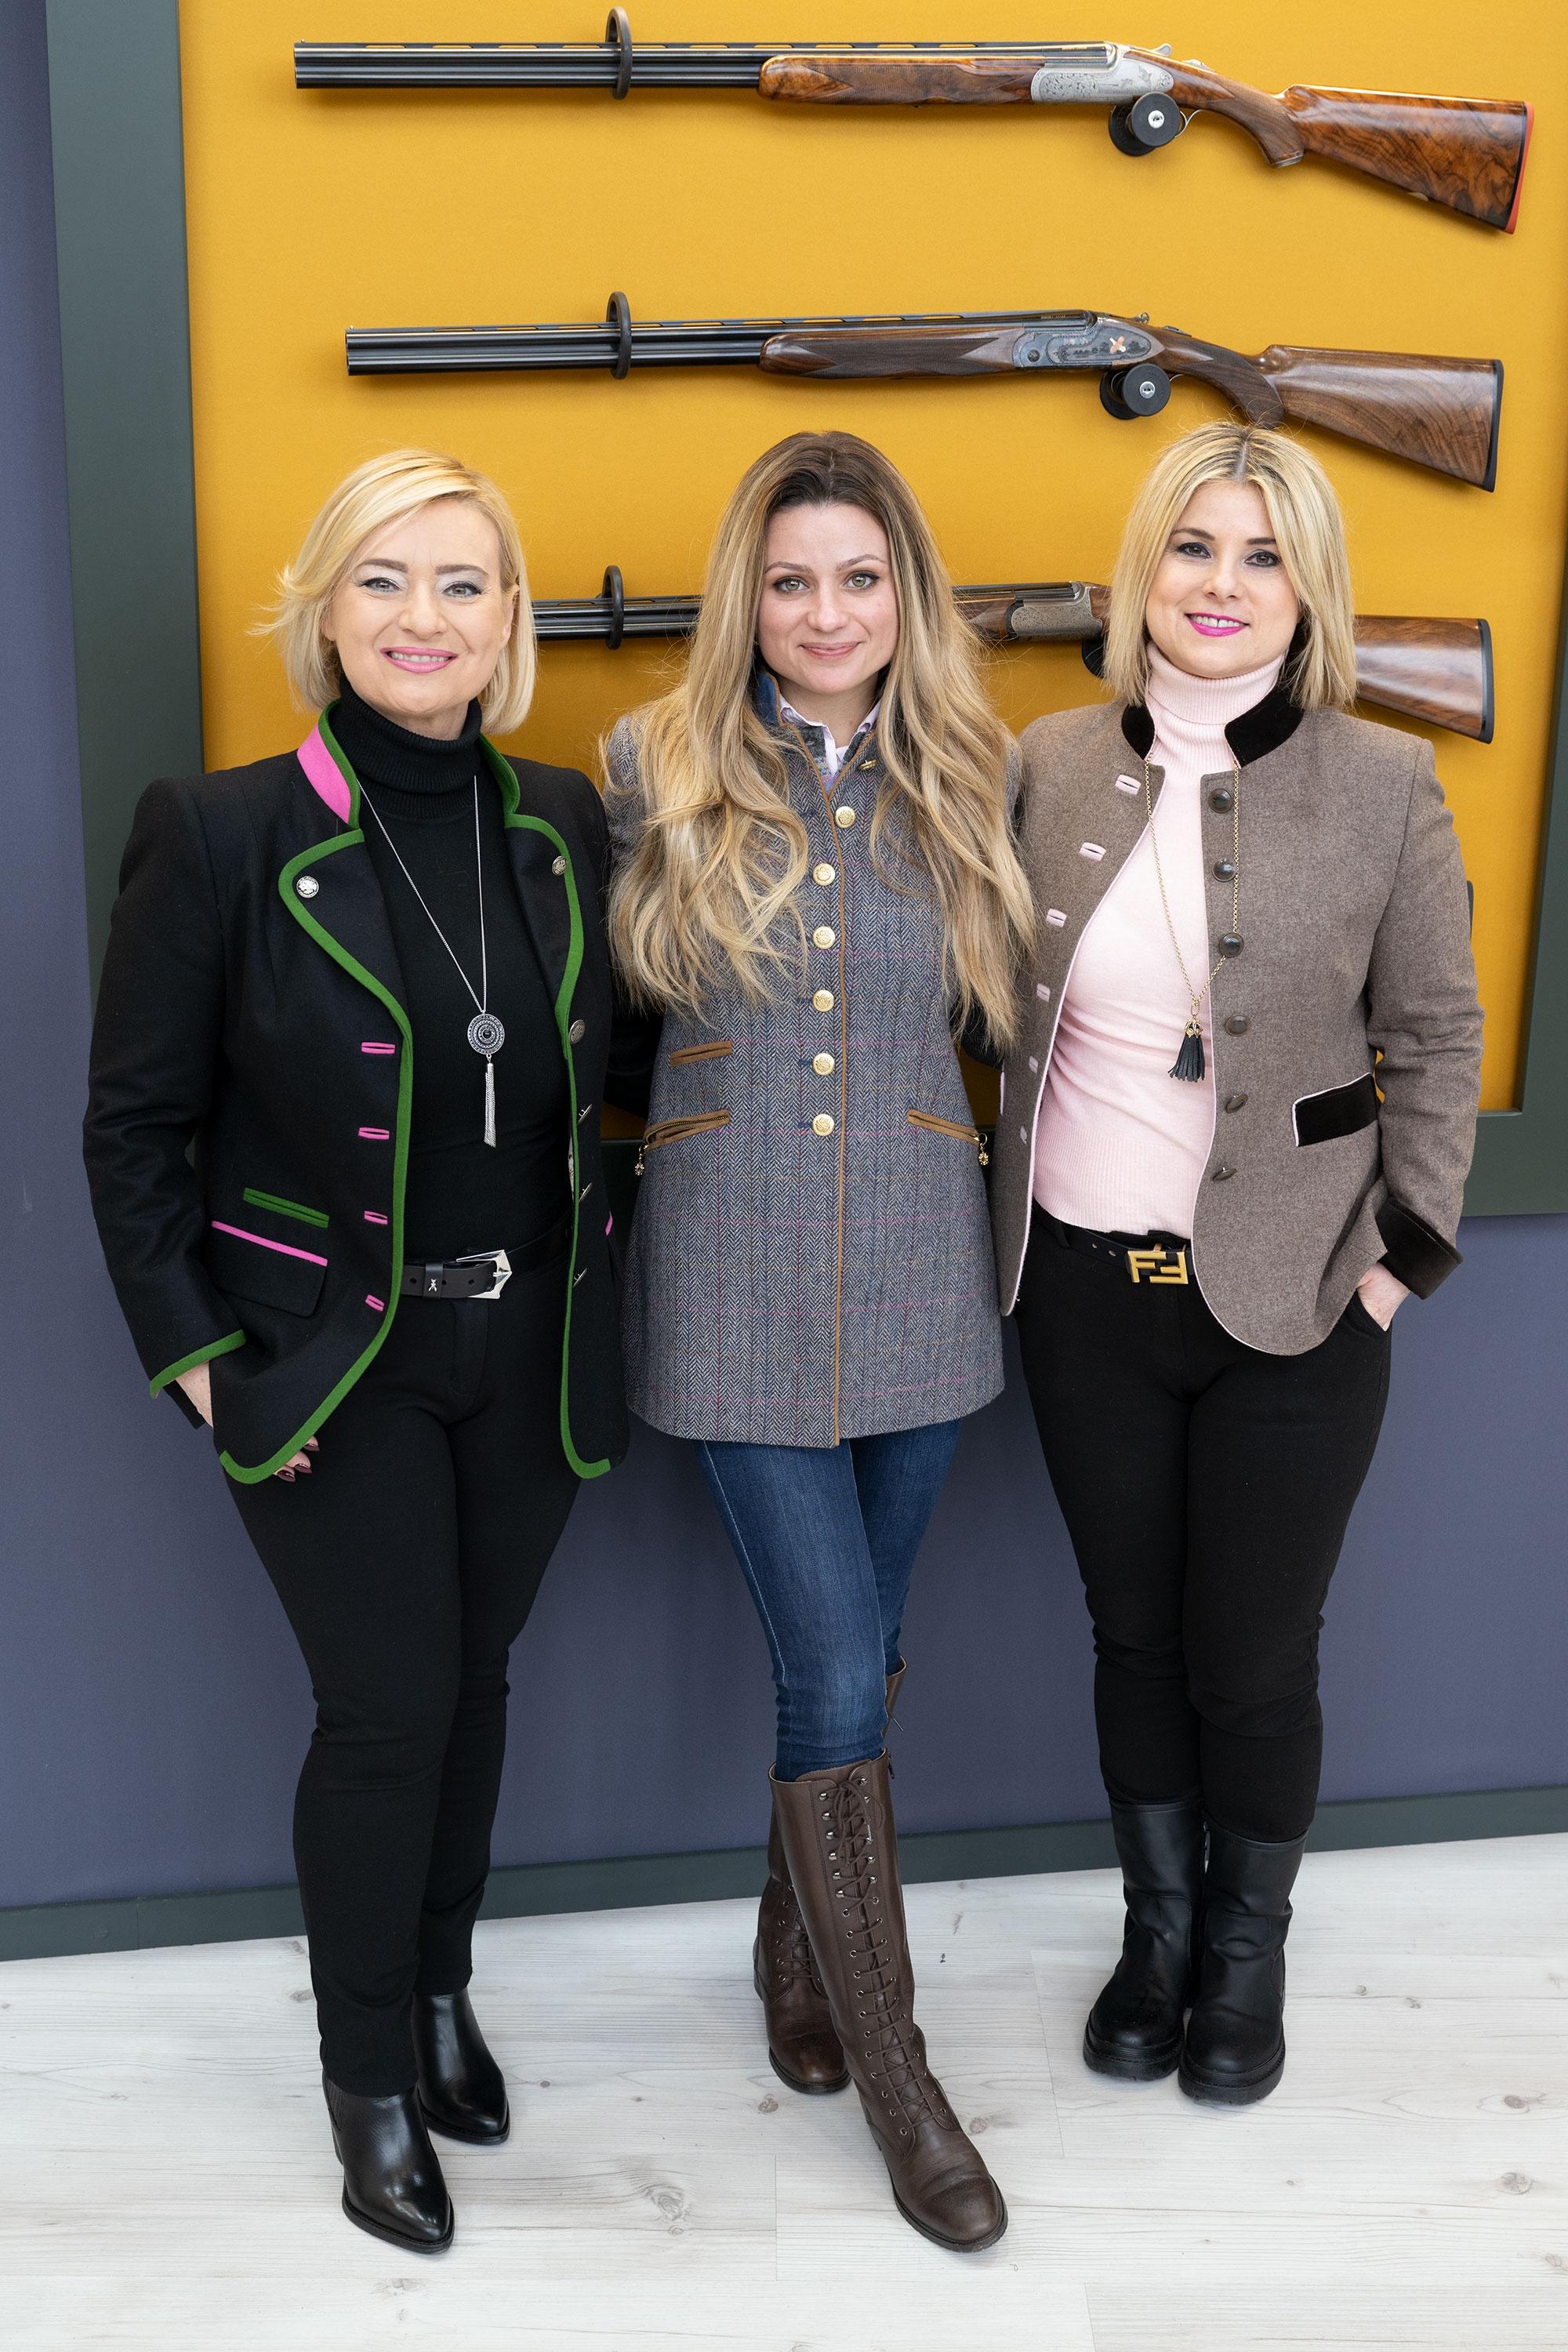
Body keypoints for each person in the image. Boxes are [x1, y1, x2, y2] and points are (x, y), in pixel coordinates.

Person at [83, 448, 649, 2252]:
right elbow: (133, 1128)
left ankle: (440, 1988)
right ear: (324, 611)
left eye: (462, 582)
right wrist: (202, 1360)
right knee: (389, 1709)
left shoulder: (561, 822)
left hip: (532, 1347)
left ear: (509, 620)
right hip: (335, 1359)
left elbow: (612, 1075)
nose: (424, 618)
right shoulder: (219, 831)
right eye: (384, 580)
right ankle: (369, 2080)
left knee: (476, 1686)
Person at [988, 423, 1483, 2105]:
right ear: (1144, 570)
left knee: (1254, 1659)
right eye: (1193, 547)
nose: (1222, 583)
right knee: (1131, 1640)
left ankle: (1245, 1953)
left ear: (1309, 588)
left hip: (1304, 1297)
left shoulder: (1384, 780)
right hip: (1081, 1293)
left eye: (1262, 555)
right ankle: (1156, 1939)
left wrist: (1399, 1262)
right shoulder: (1047, 761)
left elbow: (1434, 1036)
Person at [603, 430, 1032, 2250]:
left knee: (867, 1651)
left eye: (859, 579)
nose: (826, 612)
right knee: (836, 1676)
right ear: (747, 598)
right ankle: (903, 2080)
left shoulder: (974, 775)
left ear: (903, 596)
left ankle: (794, 1964)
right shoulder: (651, 765)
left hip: (922, 1271)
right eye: (791, 581)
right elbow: (605, 1034)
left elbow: (1011, 1031)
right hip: (728, 1272)